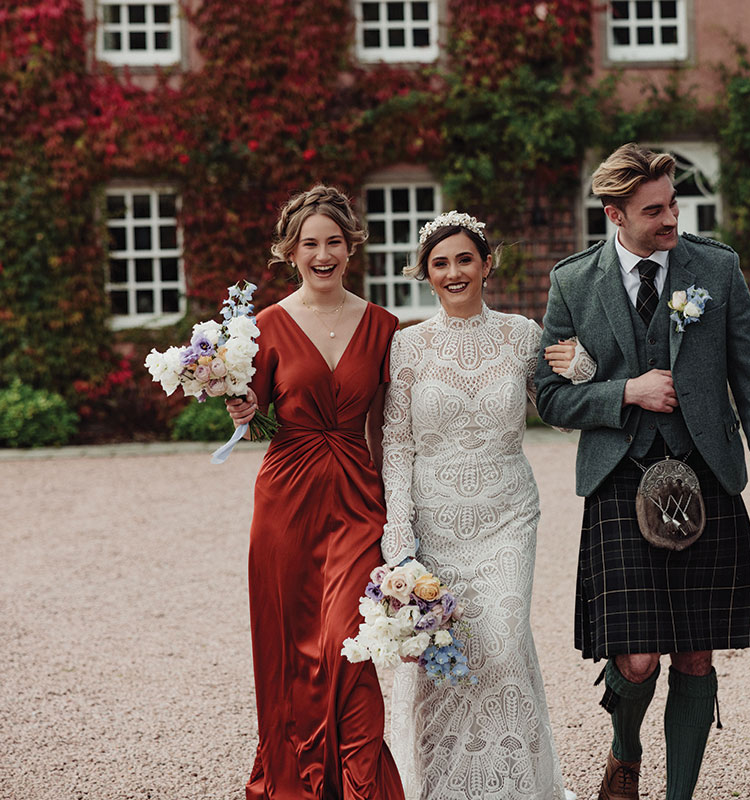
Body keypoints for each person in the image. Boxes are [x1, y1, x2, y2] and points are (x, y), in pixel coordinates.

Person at [534, 143, 750, 800]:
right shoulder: (573, 283)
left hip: (704, 474)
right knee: (638, 655)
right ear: (615, 214)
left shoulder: (717, 268)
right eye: (654, 210)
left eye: (673, 203)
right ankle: (625, 751)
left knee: (696, 651)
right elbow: (551, 397)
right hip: (620, 479)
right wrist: (627, 392)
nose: (672, 218)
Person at [379, 210, 589, 800]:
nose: (454, 272)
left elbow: (563, 412)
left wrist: (581, 368)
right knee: (438, 653)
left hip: (507, 517)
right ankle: (441, 789)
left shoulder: (522, 335)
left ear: (487, 264)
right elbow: (396, 443)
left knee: (501, 644)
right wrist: (398, 529)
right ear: (426, 273)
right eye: (440, 263)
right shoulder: (408, 345)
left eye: (465, 259)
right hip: (433, 523)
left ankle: (513, 786)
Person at [226, 185, 406, 799]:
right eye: (310, 244)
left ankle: (360, 786)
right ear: (290, 252)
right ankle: (296, 779)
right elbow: (260, 425)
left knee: (347, 642)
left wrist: (396, 510)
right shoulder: (264, 327)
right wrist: (244, 413)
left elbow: (384, 430)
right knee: (289, 647)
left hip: (357, 497)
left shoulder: (382, 325)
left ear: (351, 247)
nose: (323, 254)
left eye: (333, 242)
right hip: (286, 501)